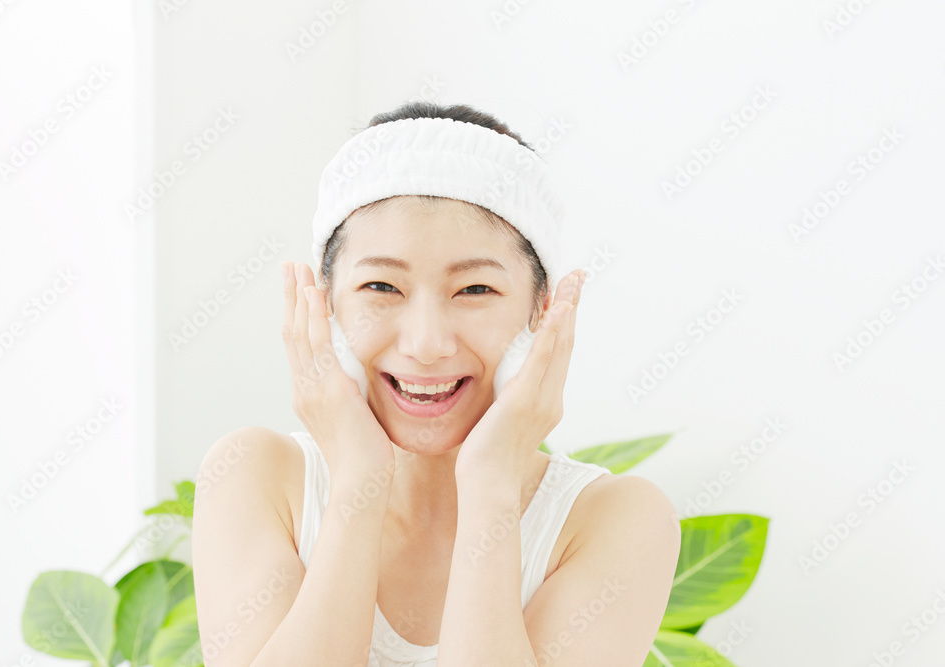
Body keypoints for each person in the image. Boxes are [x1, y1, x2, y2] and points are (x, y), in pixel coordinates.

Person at [192, 102, 681, 667]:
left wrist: (491, 484)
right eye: (381, 286)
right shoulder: (256, 477)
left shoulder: (616, 521)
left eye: (475, 290)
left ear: (542, 313)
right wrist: (358, 481)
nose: (426, 344)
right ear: (324, 306)